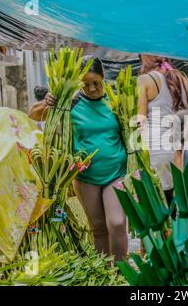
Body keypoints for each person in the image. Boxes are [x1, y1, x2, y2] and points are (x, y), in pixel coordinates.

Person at [29, 56, 128, 261]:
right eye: (86, 84)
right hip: (85, 176)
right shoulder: (70, 102)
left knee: (117, 223)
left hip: (116, 172)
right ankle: (104, 275)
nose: (92, 88)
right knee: (98, 228)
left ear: (103, 78)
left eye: (96, 83)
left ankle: (122, 273)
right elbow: (34, 114)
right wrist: (46, 102)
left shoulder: (115, 100)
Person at [137, 54, 188, 210]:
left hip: (155, 154)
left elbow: (140, 121)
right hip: (180, 154)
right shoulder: (184, 80)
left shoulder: (145, 81)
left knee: (161, 211)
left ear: (144, 56)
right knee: (181, 209)